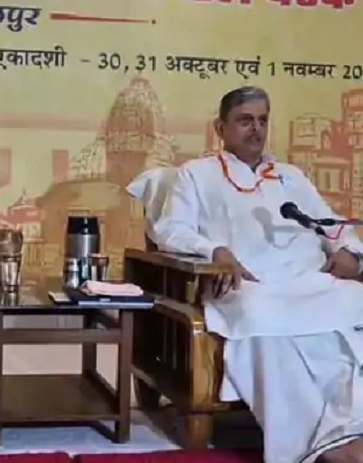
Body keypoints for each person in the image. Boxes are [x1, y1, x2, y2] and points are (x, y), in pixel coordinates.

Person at [152, 86, 363, 463]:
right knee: (258, 314)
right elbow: (170, 229)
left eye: (262, 120)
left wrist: (348, 251)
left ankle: (352, 428)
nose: (256, 129)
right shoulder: (196, 174)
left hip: (309, 282)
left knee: (355, 300)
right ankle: (317, 446)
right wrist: (214, 251)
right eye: (245, 120)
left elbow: (330, 224)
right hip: (245, 285)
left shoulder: (291, 176)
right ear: (221, 128)